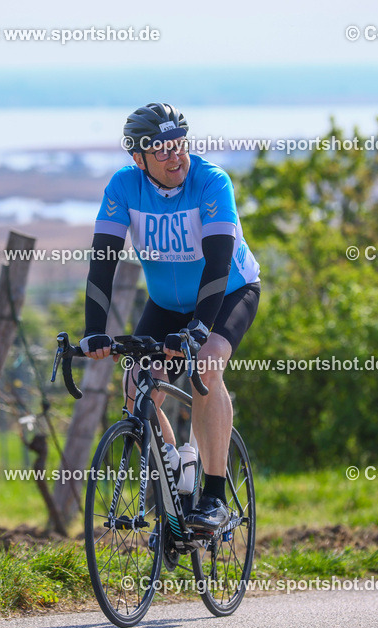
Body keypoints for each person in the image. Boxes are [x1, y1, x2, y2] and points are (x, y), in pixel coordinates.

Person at [79, 103, 260, 532]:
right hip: (166, 304)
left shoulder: (211, 182)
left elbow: (218, 264)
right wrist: (94, 331)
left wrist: (199, 329)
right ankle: (177, 472)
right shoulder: (124, 187)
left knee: (207, 364)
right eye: (161, 150)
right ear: (138, 158)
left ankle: (213, 496)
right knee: (136, 389)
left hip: (228, 292)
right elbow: (102, 262)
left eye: (179, 144)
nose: (175, 156)